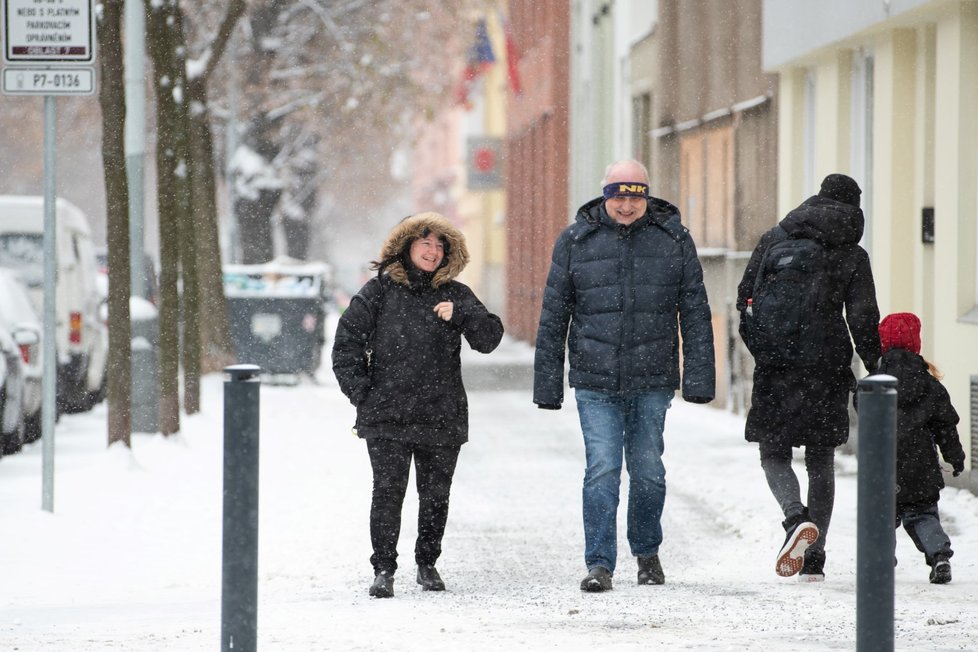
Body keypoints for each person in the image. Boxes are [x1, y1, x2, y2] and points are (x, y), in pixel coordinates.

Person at [534, 159, 716, 592]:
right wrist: (547, 383)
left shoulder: (674, 240)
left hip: (652, 380)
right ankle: (599, 563)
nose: (626, 205)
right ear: (604, 194)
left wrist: (699, 378)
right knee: (602, 469)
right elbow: (553, 315)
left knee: (649, 470)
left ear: (646, 197)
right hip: (594, 380)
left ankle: (647, 551)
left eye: (635, 196)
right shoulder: (576, 241)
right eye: (618, 195)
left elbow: (695, 312)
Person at [331, 212, 503, 598]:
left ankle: (427, 563)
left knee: (436, 495)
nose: (433, 250)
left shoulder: (455, 294)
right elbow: (346, 346)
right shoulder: (377, 293)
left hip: (441, 415)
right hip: (387, 416)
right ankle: (384, 568)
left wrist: (463, 316)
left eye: (440, 245)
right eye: (425, 242)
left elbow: (490, 338)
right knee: (388, 492)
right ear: (406, 246)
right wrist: (364, 394)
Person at [736, 173, 881, 582]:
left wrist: (765, 350)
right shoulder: (852, 253)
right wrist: (877, 368)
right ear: (854, 206)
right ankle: (814, 556)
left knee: (773, 453)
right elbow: (863, 317)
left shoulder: (774, 238)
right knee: (821, 459)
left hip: (776, 365)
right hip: (827, 366)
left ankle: (794, 518)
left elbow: (743, 300)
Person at [872, 312, 965, 584]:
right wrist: (955, 458)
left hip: (881, 462)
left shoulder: (876, 380)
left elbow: (861, 408)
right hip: (920, 463)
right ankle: (939, 557)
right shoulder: (930, 384)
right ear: (917, 343)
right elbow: (946, 425)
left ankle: (880, 561)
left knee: (881, 516)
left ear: (884, 342)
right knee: (923, 514)